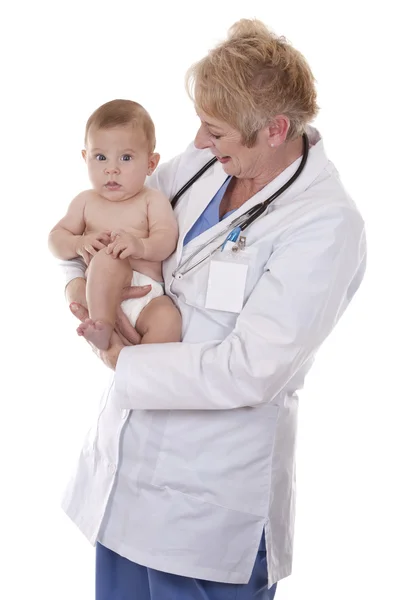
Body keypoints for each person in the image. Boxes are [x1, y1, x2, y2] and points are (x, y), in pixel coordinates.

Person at [60, 18, 366, 600]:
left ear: (274, 129)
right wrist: (79, 283)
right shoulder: (207, 165)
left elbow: (252, 369)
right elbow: (112, 213)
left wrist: (124, 361)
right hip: (126, 482)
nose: (199, 142)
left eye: (215, 131)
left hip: (207, 508)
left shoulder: (325, 226)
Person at [48, 99, 181, 350]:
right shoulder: (85, 201)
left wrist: (140, 246)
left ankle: (142, 375)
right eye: (100, 157)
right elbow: (55, 239)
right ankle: (102, 328)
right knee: (109, 258)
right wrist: (78, 243)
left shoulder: (152, 200)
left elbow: (167, 239)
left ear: (151, 164)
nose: (112, 169)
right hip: (100, 291)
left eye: (126, 157)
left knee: (169, 319)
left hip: (147, 293)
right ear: (85, 157)